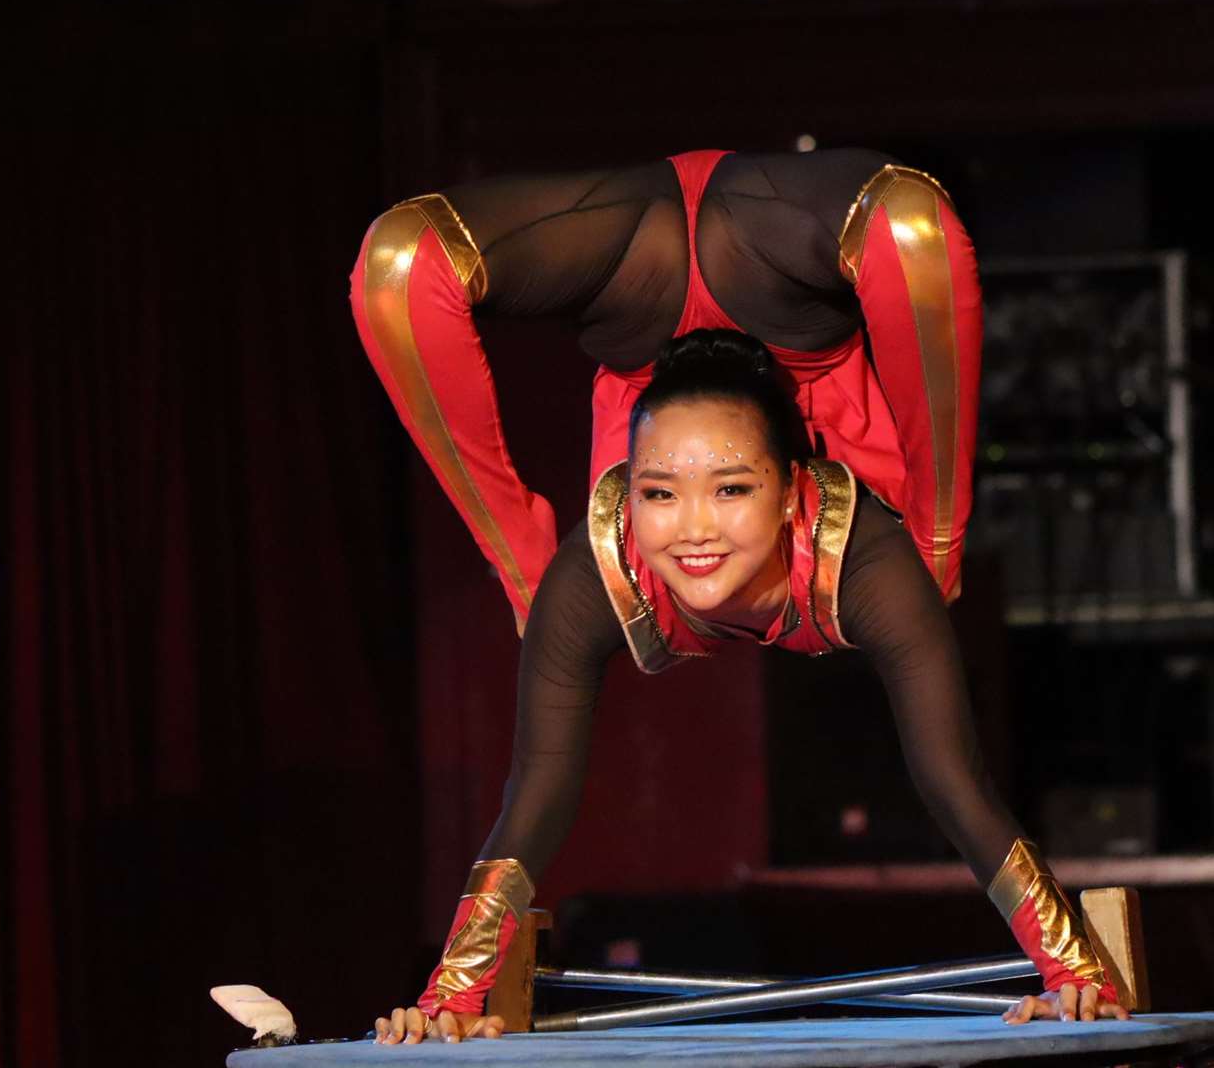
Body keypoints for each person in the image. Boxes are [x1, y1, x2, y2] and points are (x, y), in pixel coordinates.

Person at [371, 331, 1128, 1045]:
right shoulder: (594, 572)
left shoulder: (868, 561)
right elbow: (537, 792)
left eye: (730, 488)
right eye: (660, 494)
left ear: (794, 491)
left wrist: (1074, 972)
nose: (692, 529)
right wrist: (450, 996)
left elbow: (951, 779)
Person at [350, 148, 982, 635]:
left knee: (398, 262)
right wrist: (937, 545)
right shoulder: (861, 544)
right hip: (769, 278)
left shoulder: (629, 561)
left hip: (640, 284)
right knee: (909, 224)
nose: (699, 536)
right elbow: (909, 223)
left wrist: (529, 573)